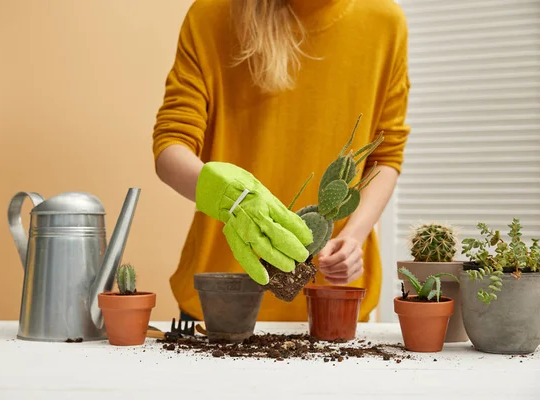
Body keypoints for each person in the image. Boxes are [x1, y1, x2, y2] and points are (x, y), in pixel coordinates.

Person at [152, 0, 410, 322]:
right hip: (222, 297)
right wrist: (232, 199)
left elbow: (385, 156)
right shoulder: (211, 15)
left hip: (332, 300)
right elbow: (170, 147)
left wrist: (353, 237)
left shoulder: (384, 21)